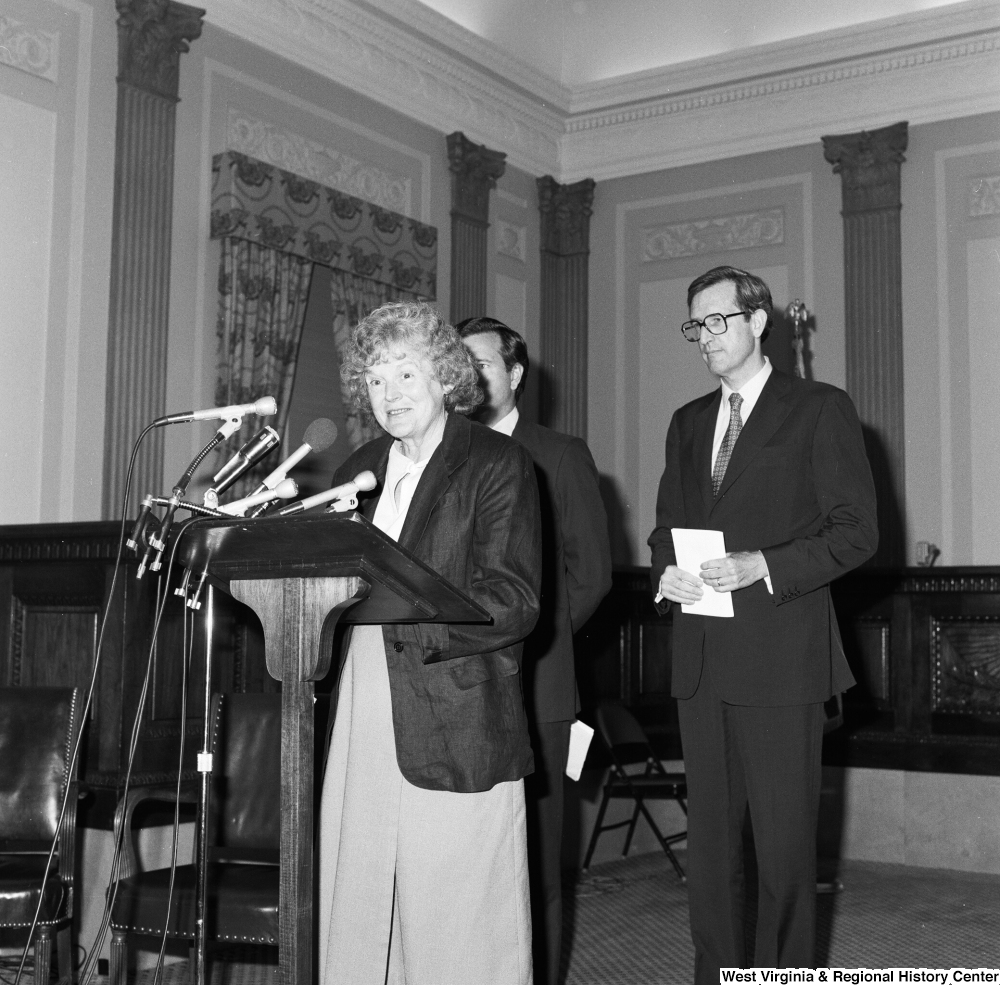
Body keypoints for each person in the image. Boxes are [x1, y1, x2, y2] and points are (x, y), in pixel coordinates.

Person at [647, 266, 877, 981]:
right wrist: (667, 573)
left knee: (782, 857)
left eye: (718, 320)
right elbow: (665, 529)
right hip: (702, 664)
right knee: (710, 858)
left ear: (757, 320)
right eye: (696, 325)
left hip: (782, 661)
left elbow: (857, 532)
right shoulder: (686, 423)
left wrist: (765, 565)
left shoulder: (818, 408)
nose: (706, 337)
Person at [318, 301, 542, 985]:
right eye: (377, 380)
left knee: (459, 911)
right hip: (363, 700)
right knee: (360, 894)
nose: (390, 395)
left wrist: (412, 613)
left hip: (457, 703)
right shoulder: (358, 467)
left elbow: (517, 601)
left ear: (445, 377)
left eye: (407, 375)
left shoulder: (497, 462)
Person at [457, 317, 612, 985]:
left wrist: (528, 641)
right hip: (454, 689)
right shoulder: (443, 456)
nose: (469, 377)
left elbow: (594, 572)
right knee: (465, 862)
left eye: (482, 364)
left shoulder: (560, 453)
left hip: (538, 685)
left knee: (537, 858)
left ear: (515, 374)